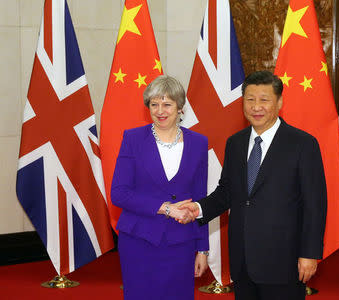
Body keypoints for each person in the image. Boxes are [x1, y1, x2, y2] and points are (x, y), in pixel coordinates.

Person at [180, 71, 327, 300]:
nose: (256, 106)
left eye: (264, 99)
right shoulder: (235, 143)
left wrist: (309, 253)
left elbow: (315, 204)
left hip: (284, 261)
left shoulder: (302, 144)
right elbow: (227, 191)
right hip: (242, 260)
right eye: (250, 99)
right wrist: (198, 209)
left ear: (279, 102)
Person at [111, 75, 209, 300]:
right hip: (139, 240)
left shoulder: (199, 142)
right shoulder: (133, 139)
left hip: (181, 242)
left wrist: (203, 249)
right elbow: (119, 193)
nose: (160, 110)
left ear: (180, 107)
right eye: (154, 104)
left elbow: (200, 199)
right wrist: (166, 208)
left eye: (167, 104)